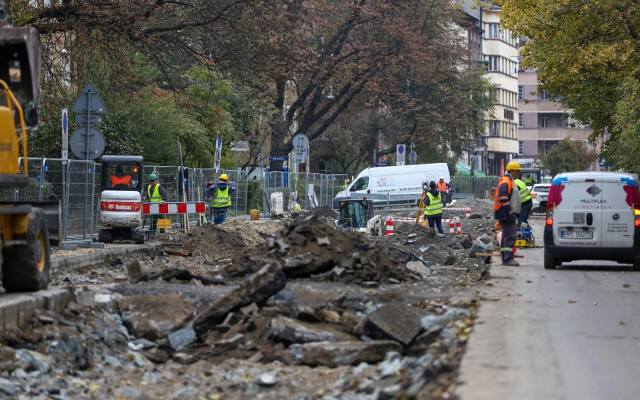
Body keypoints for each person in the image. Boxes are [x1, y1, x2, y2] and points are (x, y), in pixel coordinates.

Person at [494, 161, 521, 266]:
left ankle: (506, 258)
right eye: (517, 171)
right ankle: (507, 259)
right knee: (510, 235)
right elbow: (503, 196)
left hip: (504, 212)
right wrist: (509, 211)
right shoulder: (506, 181)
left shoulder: (509, 180)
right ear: (512, 171)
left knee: (507, 235)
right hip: (505, 212)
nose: (518, 173)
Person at [144, 173, 168, 238]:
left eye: (153, 181)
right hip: (153, 206)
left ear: (156, 180)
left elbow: (165, 195)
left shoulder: (159, 186)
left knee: (162, 219)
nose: (152, 182)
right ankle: (152, 233)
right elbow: (148, 196)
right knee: (153, 220)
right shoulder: (148, 187)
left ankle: (163, 233)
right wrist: (148, 201)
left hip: (160, 206)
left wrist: (163, 200)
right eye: (151, 181)